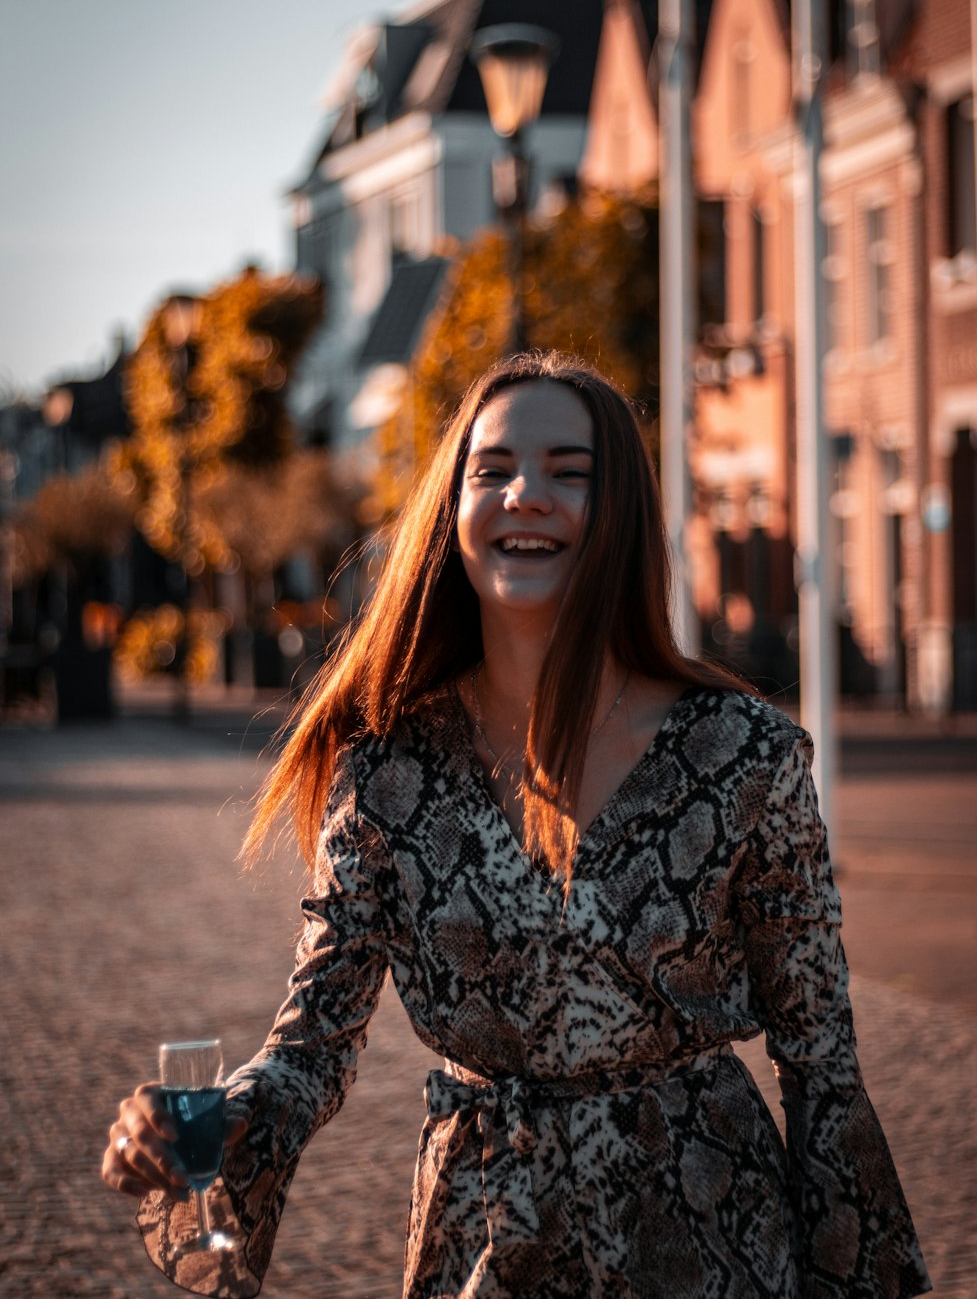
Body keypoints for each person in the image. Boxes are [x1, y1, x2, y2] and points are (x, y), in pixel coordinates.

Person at [103, 351, 930, 1298]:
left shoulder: (745, 756)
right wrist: (204, 1123)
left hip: (709, 1245)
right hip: (482, 1243)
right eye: (492, 471)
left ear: (619, 515)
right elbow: (309, 1051)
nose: (526, 495)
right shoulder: (387, 769)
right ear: (453, 511)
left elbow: (821, 1063)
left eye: (569, 473)